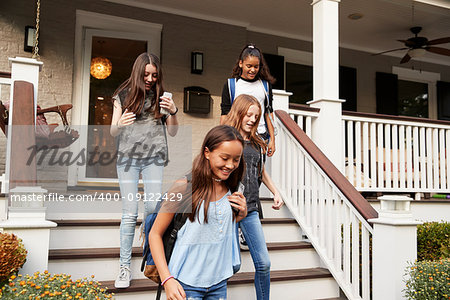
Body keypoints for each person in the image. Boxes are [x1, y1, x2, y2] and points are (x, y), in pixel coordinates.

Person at [149, 125, 248, 300]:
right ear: (207, 152)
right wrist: (167, 280)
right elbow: (155, 234)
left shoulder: (232, 188)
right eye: (224, 158)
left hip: (219, 283)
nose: (230, 165)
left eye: (236, 159)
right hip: (185, 284)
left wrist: (240, 215)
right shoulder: (184, 187)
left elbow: (217, 229)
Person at [110, 52, 179, 288]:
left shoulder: (162, 97)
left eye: (154, 75)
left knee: (151, 208)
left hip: (154, 158)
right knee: (130, 212)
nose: (150, 79)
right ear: (138, 72)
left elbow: (172, 132)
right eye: (146, 74)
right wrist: (120, 124)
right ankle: (124, 267)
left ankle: (149, 242)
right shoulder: (123, 95)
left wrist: (173, 112)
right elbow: (112, 131)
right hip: (128, 159)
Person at [225, 94, 284, 300]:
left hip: (250, 208)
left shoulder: (258, 143)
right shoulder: (228, 139)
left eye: (256, 116)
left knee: (264, 263)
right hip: (227, 209)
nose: (252, 119)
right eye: (248, 114)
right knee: (231, 264)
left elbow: (261, 172)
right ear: (239, 112)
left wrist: (276, 192)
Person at [220, 43, 276, 157]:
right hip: (236, 136)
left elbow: (268, 114)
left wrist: (272, 140)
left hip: (260, 137)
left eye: (256, 67)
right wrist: (223, 138)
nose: (253, 70)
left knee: (257, 171)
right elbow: (225, 114)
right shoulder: (232, 85)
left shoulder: (265, 86)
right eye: (249, 66)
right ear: (241, 63)